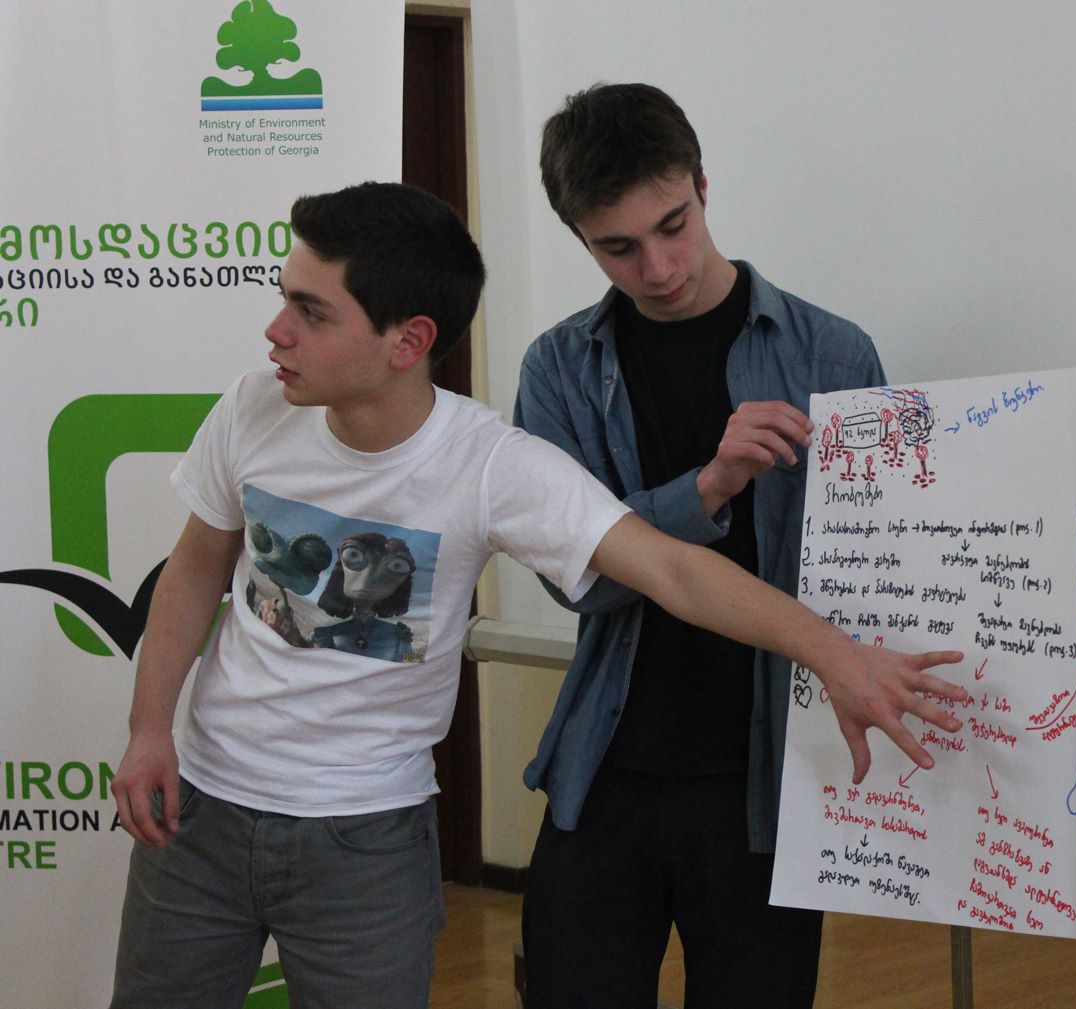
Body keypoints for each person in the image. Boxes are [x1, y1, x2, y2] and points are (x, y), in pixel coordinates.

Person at [107, 181, 968, 1009]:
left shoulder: (490, 464)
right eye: (285, 298)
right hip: (203, 812)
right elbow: (193, 569)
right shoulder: (253, 407)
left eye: (311, 311)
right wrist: (150, 727)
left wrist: (836, 653)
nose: (276, 330)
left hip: (363, 836)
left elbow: (670, 569)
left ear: (407, 342)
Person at [513, 83, 891, 1008]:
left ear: (703, 185)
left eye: (673, 225)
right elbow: (576, 581)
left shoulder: (834, 357)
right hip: (605, 769)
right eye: (618, 248)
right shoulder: (558, 367)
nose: (658, 266)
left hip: (767, 783)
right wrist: (709, 487)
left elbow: (878, 570)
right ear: (580, 239)